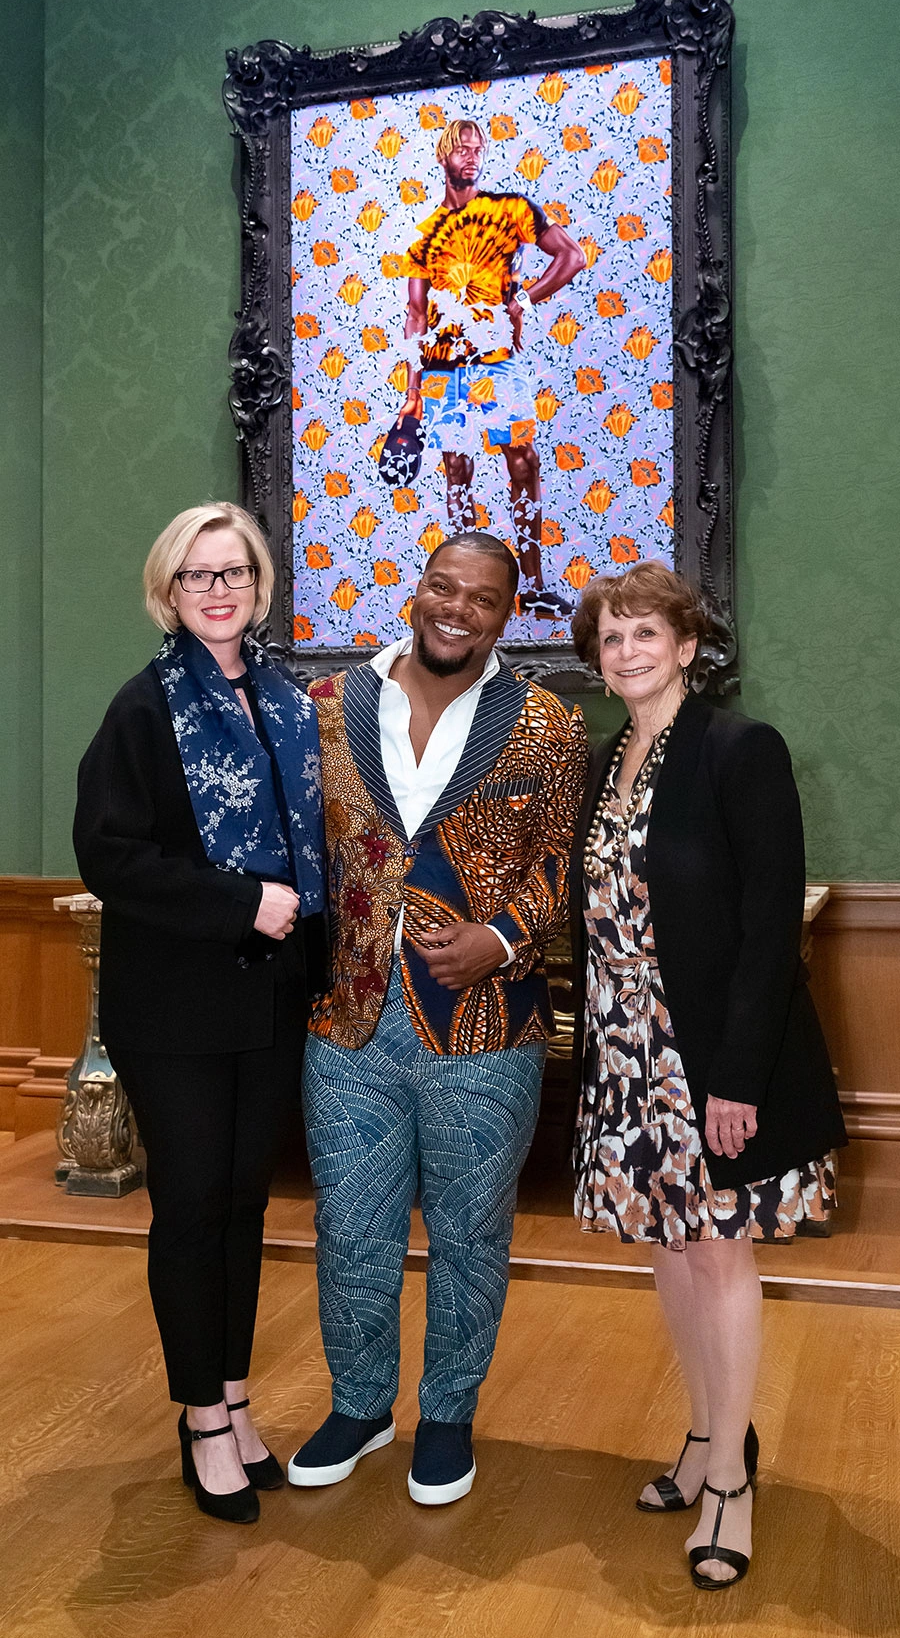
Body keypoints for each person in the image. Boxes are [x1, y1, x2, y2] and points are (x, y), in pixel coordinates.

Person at [288, 532, 589, 1505]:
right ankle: (362, 1405)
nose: (456, 609)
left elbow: (560, 865)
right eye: (442, 587)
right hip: (349, 1020)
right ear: (416, 591)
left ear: (510, 615)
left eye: (483, 599)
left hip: (486, 1030)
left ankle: (448, 1413)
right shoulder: (326, 710)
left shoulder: (550, 725)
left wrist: (498, 940)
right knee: (352, 1225)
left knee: (469, 1231)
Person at [568, 561, 846, 1589]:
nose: (628, 651)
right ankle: (701, 1432)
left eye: (647, 634)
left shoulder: (741, 751)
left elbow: (772, 925)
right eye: (611, 638)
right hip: (625, 1050)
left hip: (712, 1054)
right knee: (672, 1251)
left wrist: (735, 1078)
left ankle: (730, 1473)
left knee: (722, 1252)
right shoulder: (608, 763)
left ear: (688, 646)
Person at [74, 502, 325, 1525]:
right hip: (174, 1004)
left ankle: (231, 1395)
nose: (220, 592)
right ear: (167, 593)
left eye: (236, 574)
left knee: (243, 1205)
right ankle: (200, 1422)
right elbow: (112, 857)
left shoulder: (286, 703)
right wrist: (241, 902)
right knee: (188, 1210)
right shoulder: (144, 709)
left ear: (260, 587)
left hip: (265, 999)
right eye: (199, 577)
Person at [395, 119, 585, 617]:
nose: (472, 157)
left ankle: (535, 584)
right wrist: (412, 392)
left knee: (523, 463)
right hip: (441, 368)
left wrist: (524, 298)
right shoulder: (426, 235)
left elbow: (571, 256)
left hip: (496, 361)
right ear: (443, 156)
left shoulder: (511, 209)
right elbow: (416, 315)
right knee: (457, 472)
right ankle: (468, 592)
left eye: (478, 150)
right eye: (461, 150)